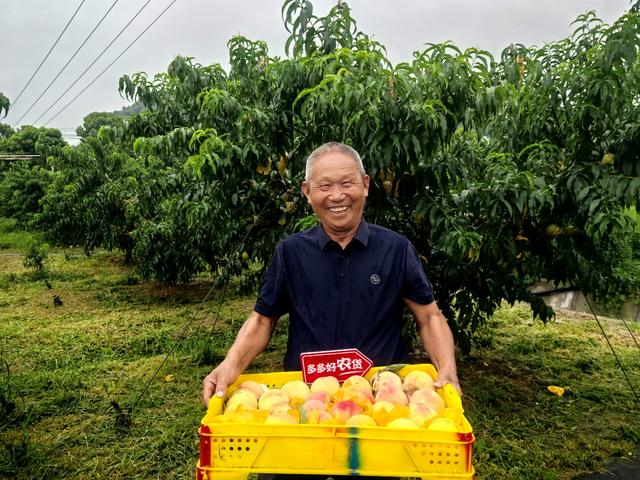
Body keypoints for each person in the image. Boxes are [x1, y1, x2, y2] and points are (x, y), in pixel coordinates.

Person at [201, 141, 461, 479]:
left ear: (365, 185)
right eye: (324, 186)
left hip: (379, 407)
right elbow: (263, 319)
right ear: (308, 192)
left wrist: (448, 368)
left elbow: (429, 316)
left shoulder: (396, 249)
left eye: (347, 183)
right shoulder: (291, 252)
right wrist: (230, 364)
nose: (337, 195)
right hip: (302, 406)